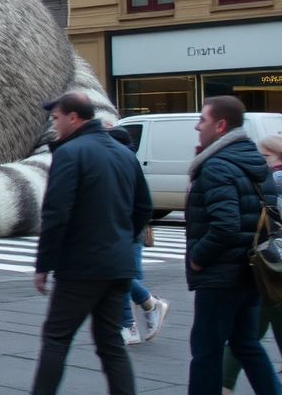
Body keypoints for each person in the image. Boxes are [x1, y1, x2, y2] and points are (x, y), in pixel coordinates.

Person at [30, 92, 151, 395]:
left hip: (82, 266)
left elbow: (56, 213)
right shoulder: (124, 153)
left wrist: (44, 265)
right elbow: (144, 207)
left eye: (56, 118)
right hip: (119, 264)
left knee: (56, 338)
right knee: (110, 343)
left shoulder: (70, 153)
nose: (54, 126)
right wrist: (123, 239)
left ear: (73, 117)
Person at [185, 96, 282, 395]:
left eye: (203, 120)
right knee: (245, 343)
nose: (197, 126)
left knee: (206, 351)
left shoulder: (216, 166)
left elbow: (225, 224)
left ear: (220, 125)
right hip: (251, 270)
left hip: (221, 275)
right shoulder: (255, 162)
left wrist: (198, 259)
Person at [103, 122, 170, 345]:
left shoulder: (123, 165)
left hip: (126, 230)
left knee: (120, 277)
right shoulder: (125, 163)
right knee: (120, 277)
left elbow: (137, 203)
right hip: (124, 230)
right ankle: (148, 305)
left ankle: (130, 323)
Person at [224, 133, 282, 393]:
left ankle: (222, 385)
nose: (263, 161)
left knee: (245, 337)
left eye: (266, 156)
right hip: (275, 268)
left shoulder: (275, 181)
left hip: (273, 268)